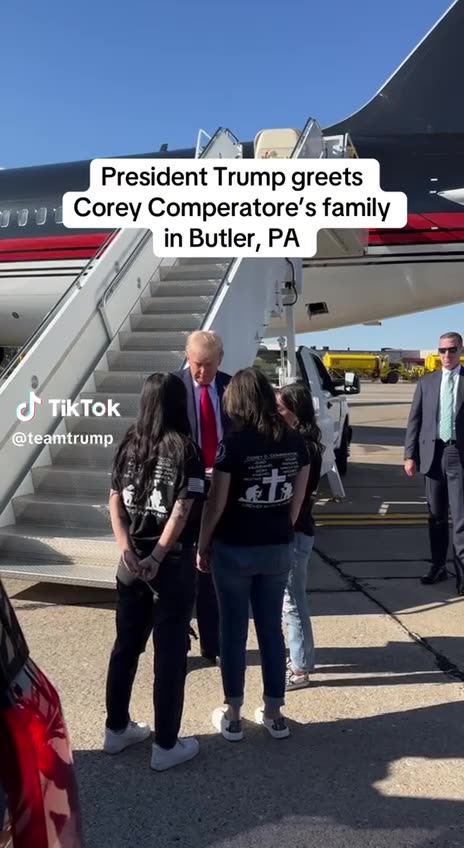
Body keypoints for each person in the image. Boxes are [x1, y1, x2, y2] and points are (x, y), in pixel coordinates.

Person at [197, 367, 309, 742]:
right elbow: (297, 500)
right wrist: (280, 527)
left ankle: (232, 712)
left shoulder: (234, 444)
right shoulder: (297, 442)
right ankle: (275, 712)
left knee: (232, 630)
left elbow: (216, 504)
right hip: (277, 546)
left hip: (234, 548)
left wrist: (203, 543)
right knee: (270, 630)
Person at [103, 373, 206, 771]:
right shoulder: (186, 449)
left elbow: (114, 499)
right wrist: (158, 557)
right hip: (171, 564)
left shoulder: (130, 443)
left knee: (125, 647)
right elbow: (182, 508)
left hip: (130, 565)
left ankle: (116, 729)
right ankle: (165, 744)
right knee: (169, 654)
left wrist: (127, 550)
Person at [175, 330, 231, 663]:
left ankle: (213, 644)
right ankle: (179, 641)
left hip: (221, 486)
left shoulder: (230, 386)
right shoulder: (174, 389)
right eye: (196, 364)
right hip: (185, 489)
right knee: (180, 572)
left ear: (219, 360)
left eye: (208, 365)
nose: (201, 372)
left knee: (211, 569)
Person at [404, 332, 464, 594]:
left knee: (461, 520)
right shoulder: (426, 382)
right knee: (436, 517)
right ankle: (438, 567)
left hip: (458, 455)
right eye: (442, 350)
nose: (446, 355)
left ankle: (462, 573)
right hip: (432, 456)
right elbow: (414, 420)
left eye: (451, 350)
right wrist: (409, 455)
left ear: (460, 350)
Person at [276, 382, 323, 691]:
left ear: (294, 412)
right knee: (287, 600)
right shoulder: (297, 443)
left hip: (296, 532)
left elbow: (297, 494)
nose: (275, 414)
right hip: (294, 531)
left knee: (292, 600)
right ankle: (298, 657)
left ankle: (301, 667)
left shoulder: (303, 448)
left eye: (280, 409)